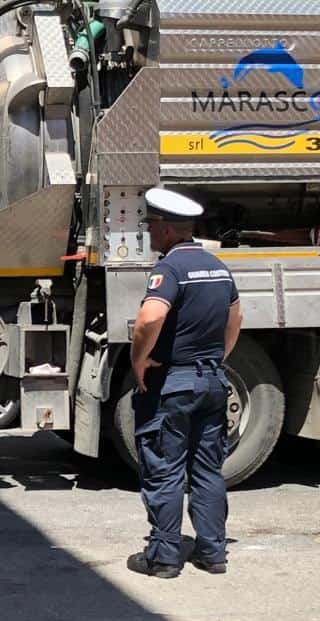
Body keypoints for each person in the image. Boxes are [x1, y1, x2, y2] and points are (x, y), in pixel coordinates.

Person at [126, 188, 243, 579]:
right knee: (208, 470)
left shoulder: (170, 270)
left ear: (170, 230)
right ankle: (212, 554)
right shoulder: (218, 267)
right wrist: (215, 361)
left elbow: (149, 319)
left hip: (173, 386)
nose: (149, 233)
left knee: (165, 470)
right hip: (212, 381)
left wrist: (138, 360)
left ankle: (163, 558)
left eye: (153, 226)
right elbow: (235, 319)